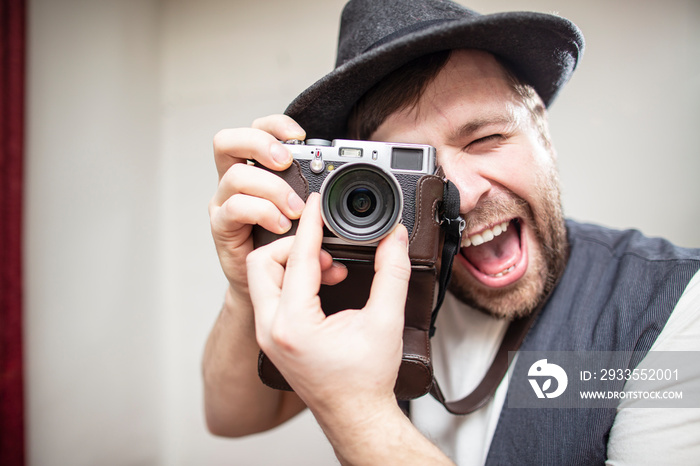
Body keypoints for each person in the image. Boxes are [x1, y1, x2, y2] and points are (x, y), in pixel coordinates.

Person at [203, 0, 700, 464]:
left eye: (485, 139)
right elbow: (233, 418)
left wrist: (358, 410)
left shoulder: (676, 307)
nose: (459, 191)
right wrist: (245, 290)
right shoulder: (363, 283)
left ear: (543, 133)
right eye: (415, 170)